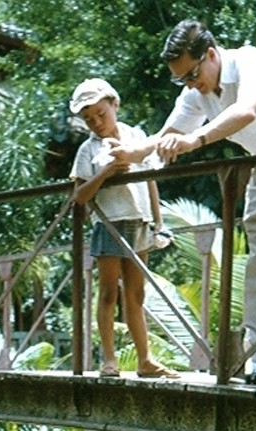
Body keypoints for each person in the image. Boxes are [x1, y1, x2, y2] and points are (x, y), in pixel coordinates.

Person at [109, 20, 256, 388]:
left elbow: (246, 111)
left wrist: (196, 140)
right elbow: (170, 134)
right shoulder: (195, 90)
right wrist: (135, 152)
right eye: (181, 79)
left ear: (212, 54)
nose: (190, 84)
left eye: (193, 74)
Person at [69, 77, 179, 378]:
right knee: (108, 293)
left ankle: (145, 360)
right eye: (89, 120)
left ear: (114, 105)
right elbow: (79, 197)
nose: (96, 123)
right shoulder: (87, 150)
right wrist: (106, 172)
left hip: (139, 220)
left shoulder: (136, 137)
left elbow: (150, 179)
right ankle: (109, 360)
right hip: (109, 223)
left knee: (136, 294)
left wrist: (159, 222)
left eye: (101, 115)